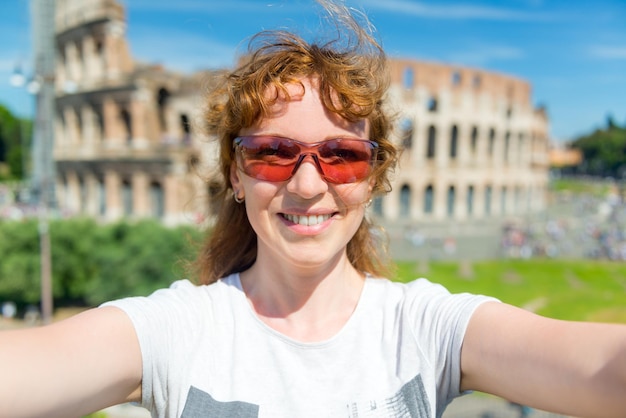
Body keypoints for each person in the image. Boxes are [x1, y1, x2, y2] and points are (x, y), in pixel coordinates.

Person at [1, 1, 626, 417]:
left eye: (342, 155)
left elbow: (604, 368)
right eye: (273, 153)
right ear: (235, 176)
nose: (306, 184)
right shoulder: (177, 332)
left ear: (374, 177)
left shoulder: (425, 328)